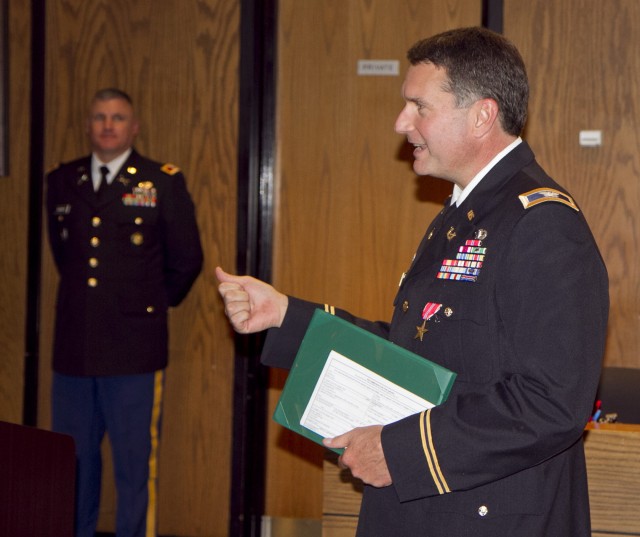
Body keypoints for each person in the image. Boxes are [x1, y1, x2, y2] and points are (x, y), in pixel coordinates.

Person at [217, 26, 610, 536]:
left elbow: (552, 402)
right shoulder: (464, 213)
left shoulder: (542, 222)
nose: (402, 123)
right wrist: (287, 316)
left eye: (419, 106)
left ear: (481, 115)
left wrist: (399, 452)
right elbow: (419, 353)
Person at [46, 88, 203, 537]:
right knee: (72, 463)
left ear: (133, 127)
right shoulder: (62, 181)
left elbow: (186, 259)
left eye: (117, 117)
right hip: (74, 348)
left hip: (135, 349)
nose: (108, 125)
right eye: (99, 117)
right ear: (89, 125)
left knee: (135, 465)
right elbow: (64, 256)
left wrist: (147, 307)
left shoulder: (161, 182)